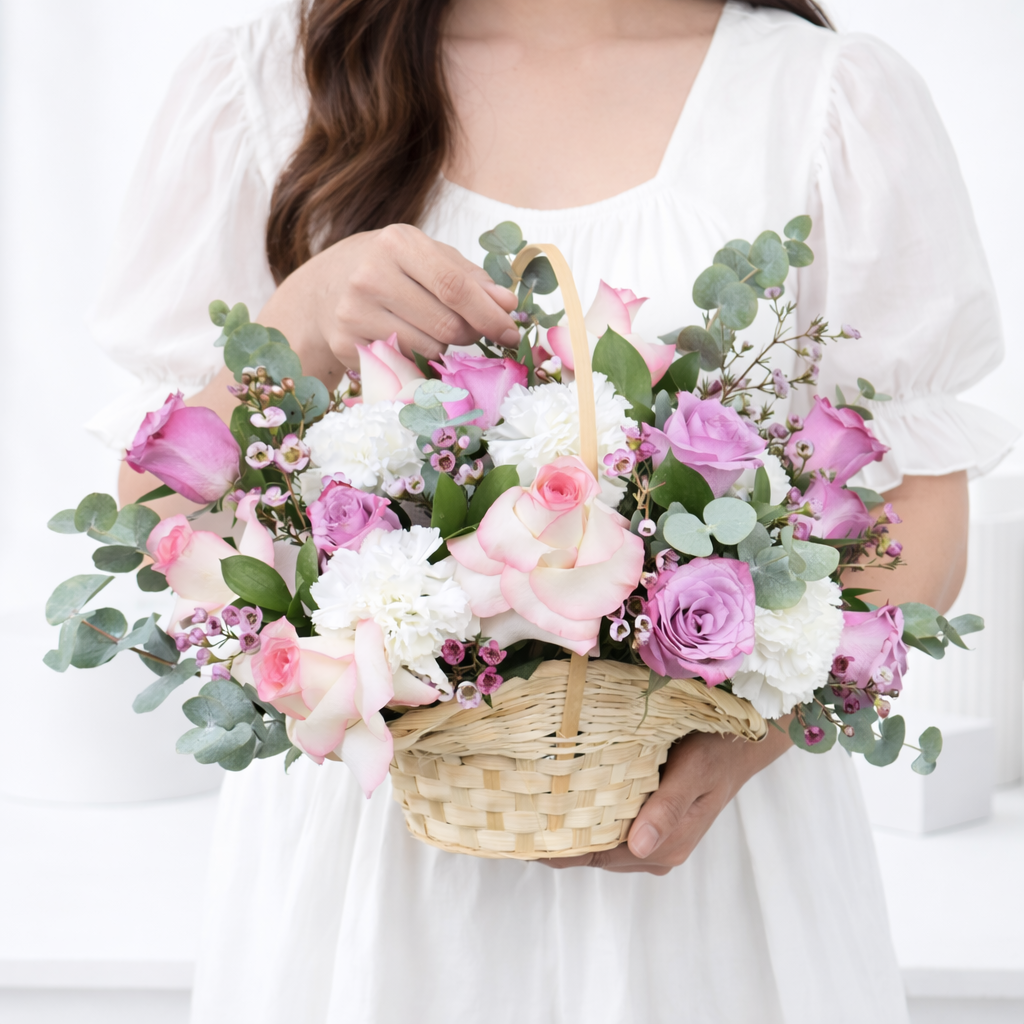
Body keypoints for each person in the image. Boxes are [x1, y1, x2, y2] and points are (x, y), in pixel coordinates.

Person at [93, 1, 1014, 1020]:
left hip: (711, 868)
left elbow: (918, 514)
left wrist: (742, 747)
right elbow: (150, 513)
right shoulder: (265, 87)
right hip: (361, 857)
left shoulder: (825, 102)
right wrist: (299, 320)